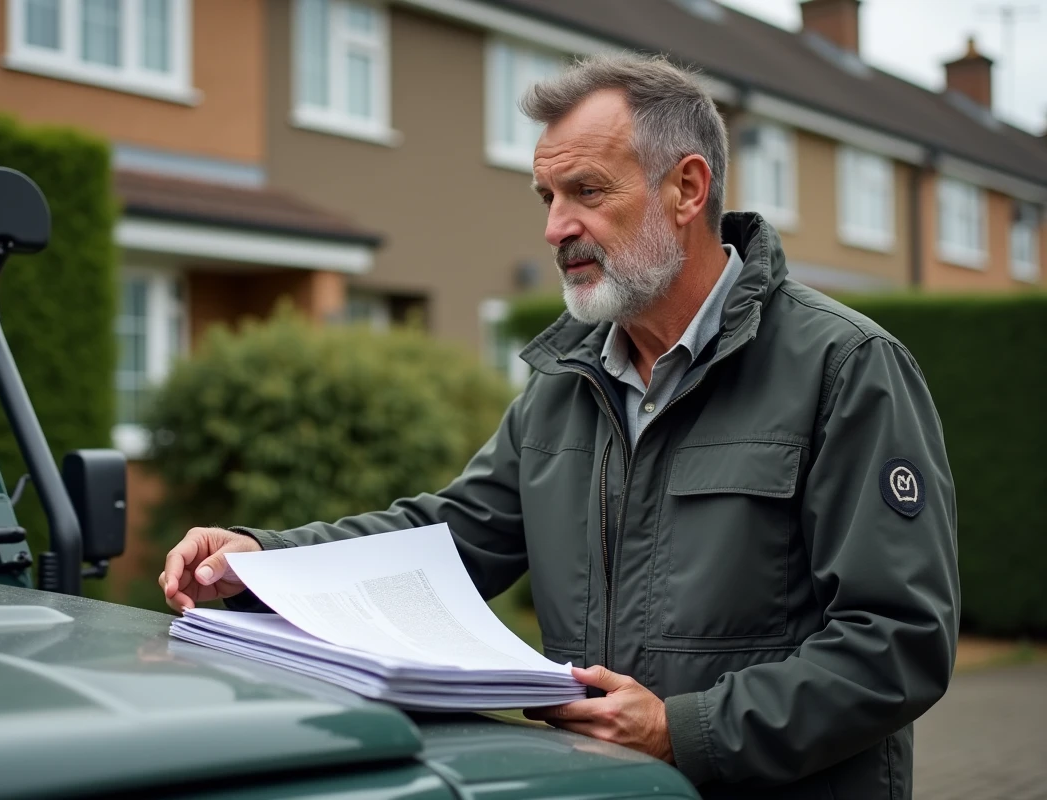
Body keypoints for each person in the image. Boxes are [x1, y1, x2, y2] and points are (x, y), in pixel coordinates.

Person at [160, 53, 959, 798]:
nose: (556, 228)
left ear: (686, 189)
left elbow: (899, 640)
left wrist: (685, 731)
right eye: (548, 198)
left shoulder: (844, 368)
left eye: (587, 192)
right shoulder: (566, 384)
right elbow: (447, 538)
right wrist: (266, 560)